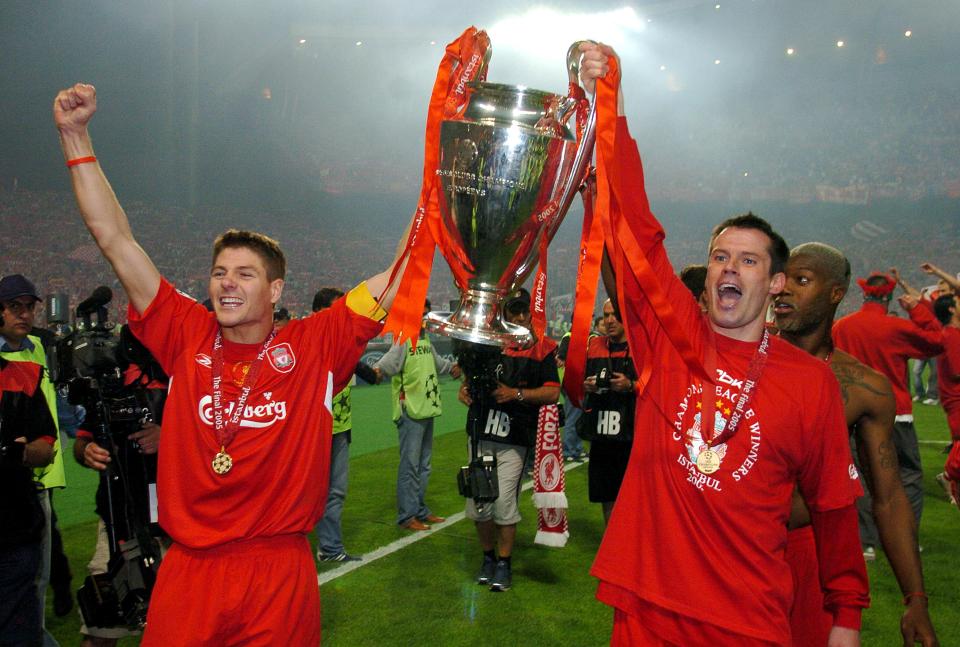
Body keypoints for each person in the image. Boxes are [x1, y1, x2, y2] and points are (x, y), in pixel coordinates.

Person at [54, 81, 409, 645]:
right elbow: (114, 238)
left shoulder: (315, 343)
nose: (226, 282)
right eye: (219, 272)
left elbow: (399, 277)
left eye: (244, 274)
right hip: (190, 567)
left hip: (278, 569)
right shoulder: (185, 331)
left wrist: (440, 188)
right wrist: (76, 136)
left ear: (275, 289)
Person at [578, 44, 867, 646]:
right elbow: (637, 231)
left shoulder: (810, 382)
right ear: (708, 273)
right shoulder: (670, 337)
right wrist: (613, 104)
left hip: (746, 619)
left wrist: (845, 616)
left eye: (749, 260)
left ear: (775, 282)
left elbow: (834, 506)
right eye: (719, 257)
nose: (729, 268)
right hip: (648, 609)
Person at [774, 243, 938, 646]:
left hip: (807, 551)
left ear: (835, 293)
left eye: (802, 280)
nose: (783, 290)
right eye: (783, 279)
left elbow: (889, 497)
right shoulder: (742, 355)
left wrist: (915, 598)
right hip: (732, 543)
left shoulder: (864, 388)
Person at [832, 271, 944, 560]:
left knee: (861, 475)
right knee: (907, 476)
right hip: (897, 414)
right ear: (889, 296)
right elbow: (938, 340)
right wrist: (917, 309)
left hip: (857, 414)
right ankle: (904, 538)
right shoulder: (895, 327)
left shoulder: (843, 326)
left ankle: (866, 542)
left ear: (864, 294)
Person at [458, 288, 560, 592]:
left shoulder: (542, 348)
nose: (516, 317)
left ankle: (504, 563)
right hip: (480, 433)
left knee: (503, 503)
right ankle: (488, 558)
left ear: (530, 313)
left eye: (521, 311)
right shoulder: (490, 344)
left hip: (514, 437)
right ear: (502, 313)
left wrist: (516, 394)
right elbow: (470, 380)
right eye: (511, 311)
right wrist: (464, 390)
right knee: (479, 504)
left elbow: (553, 392)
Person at [73, 326, 168, 646]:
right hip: (117, 518)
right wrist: (85, 451)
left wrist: (167, 436)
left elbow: (213, 441)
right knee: (102, 624)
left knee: (179, 623)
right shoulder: (111, 375)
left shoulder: (184, 371)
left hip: (174, 521)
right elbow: (83, 438)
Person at [0, 273, 66, 647]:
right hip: (17, 483)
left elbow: (51, 412)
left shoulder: (37, 348)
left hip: (36, 479)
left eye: (29, 307)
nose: (24, 315)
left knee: (32, 580)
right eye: (15, 307)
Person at [374, 299, 459, 531]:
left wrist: (455, 367)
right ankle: (407, 515)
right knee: (410, 465)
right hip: (410, 410)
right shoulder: (404, 339)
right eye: (421, 314)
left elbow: (439, 364)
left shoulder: (424, 338)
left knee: (424, 465)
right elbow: (387, 364)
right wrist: (377, 371)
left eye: (426, 314)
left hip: (427, 407)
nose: (424, 318)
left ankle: (419, 509)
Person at [312, 287, 378, 561]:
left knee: (336, 491)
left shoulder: (342, 343)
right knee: (306, 492)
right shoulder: (309, 342)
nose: (343, 316)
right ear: (319, 313)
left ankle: (330, 547)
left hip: (340, 427)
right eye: (336, 309)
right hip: (314, 432)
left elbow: (363, 371)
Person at [0, 357, 56, 647]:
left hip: (15, 530)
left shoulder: (23, 375)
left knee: (18, 633)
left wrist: (19, 453)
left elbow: (46, 446)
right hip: (18, 529)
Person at [579, 298, 638, 524]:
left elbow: (659, 386)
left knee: (634, 501)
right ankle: (612, 553)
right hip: (602, 437)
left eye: (615, 314)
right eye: (606, 315)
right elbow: (576, 383)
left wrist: (631, 385)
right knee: (607, 499)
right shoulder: (593, 346)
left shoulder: (641, 346)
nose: (610, 320)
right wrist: (587, 385)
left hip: (632, 438)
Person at [932, 292, 960, 506]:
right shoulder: (951, 335)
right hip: (956, 397)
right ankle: (949, 476)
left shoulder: (953, 332)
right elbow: (957, 371)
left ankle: (950, 477)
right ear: (951, 309)